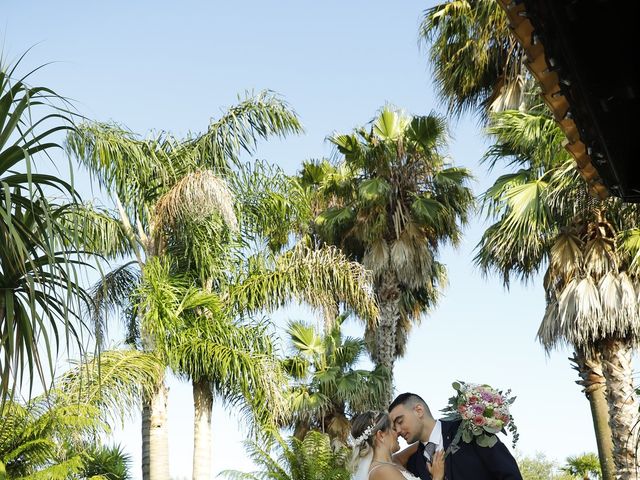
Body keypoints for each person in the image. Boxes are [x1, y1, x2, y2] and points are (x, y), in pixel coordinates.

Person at [388, 393, 523, 480]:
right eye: (394, 428)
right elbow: (391, 461)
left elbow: (510, 474)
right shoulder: (414, 464)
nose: (398, 430)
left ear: (419, 410)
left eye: (400, 422)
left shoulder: (468, 429)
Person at [350, 411, 445, 480]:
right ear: (381, 435)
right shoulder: (383, 471)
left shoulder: (393, 462)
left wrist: (435, 429)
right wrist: (437, 477)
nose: (398, 433)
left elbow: (422, 441)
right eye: (393, 429)